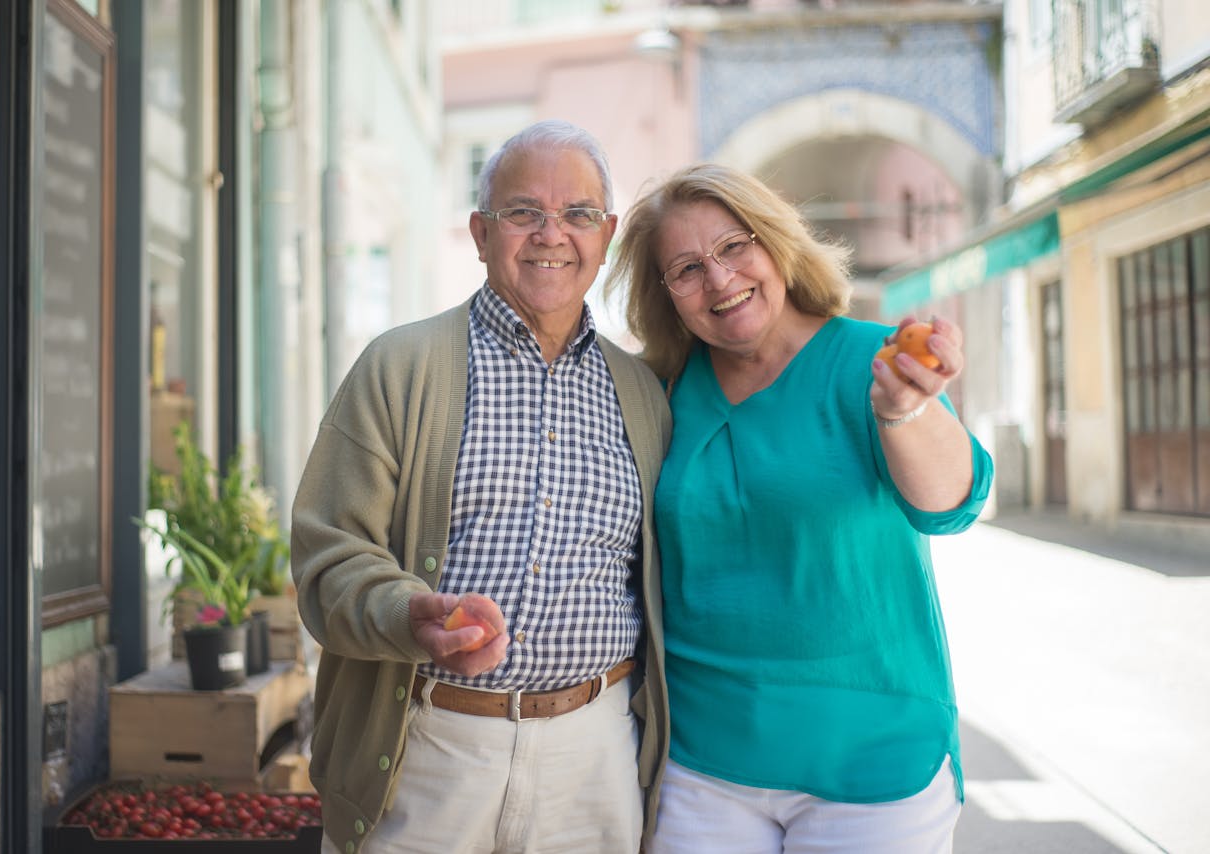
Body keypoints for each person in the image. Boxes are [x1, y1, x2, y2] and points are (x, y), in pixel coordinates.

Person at [291, 120, 672, 854]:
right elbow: (326, 556)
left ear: (608, 234)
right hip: (431, 745)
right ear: (480, 232)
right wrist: (410, 616)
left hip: (595, 756)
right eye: (523, 212)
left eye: (578, 214)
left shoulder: (645, 394)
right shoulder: (400, 367)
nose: (550, 234)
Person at [604, 163, 993, 853]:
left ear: (776, 242)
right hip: (704, 766)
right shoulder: (659, 393)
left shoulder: (869, 361)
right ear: (666, 295)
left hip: (873, 763)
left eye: (733, 246)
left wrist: (907, 411)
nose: (720, 280)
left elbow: (952, 504)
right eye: (687, 269)